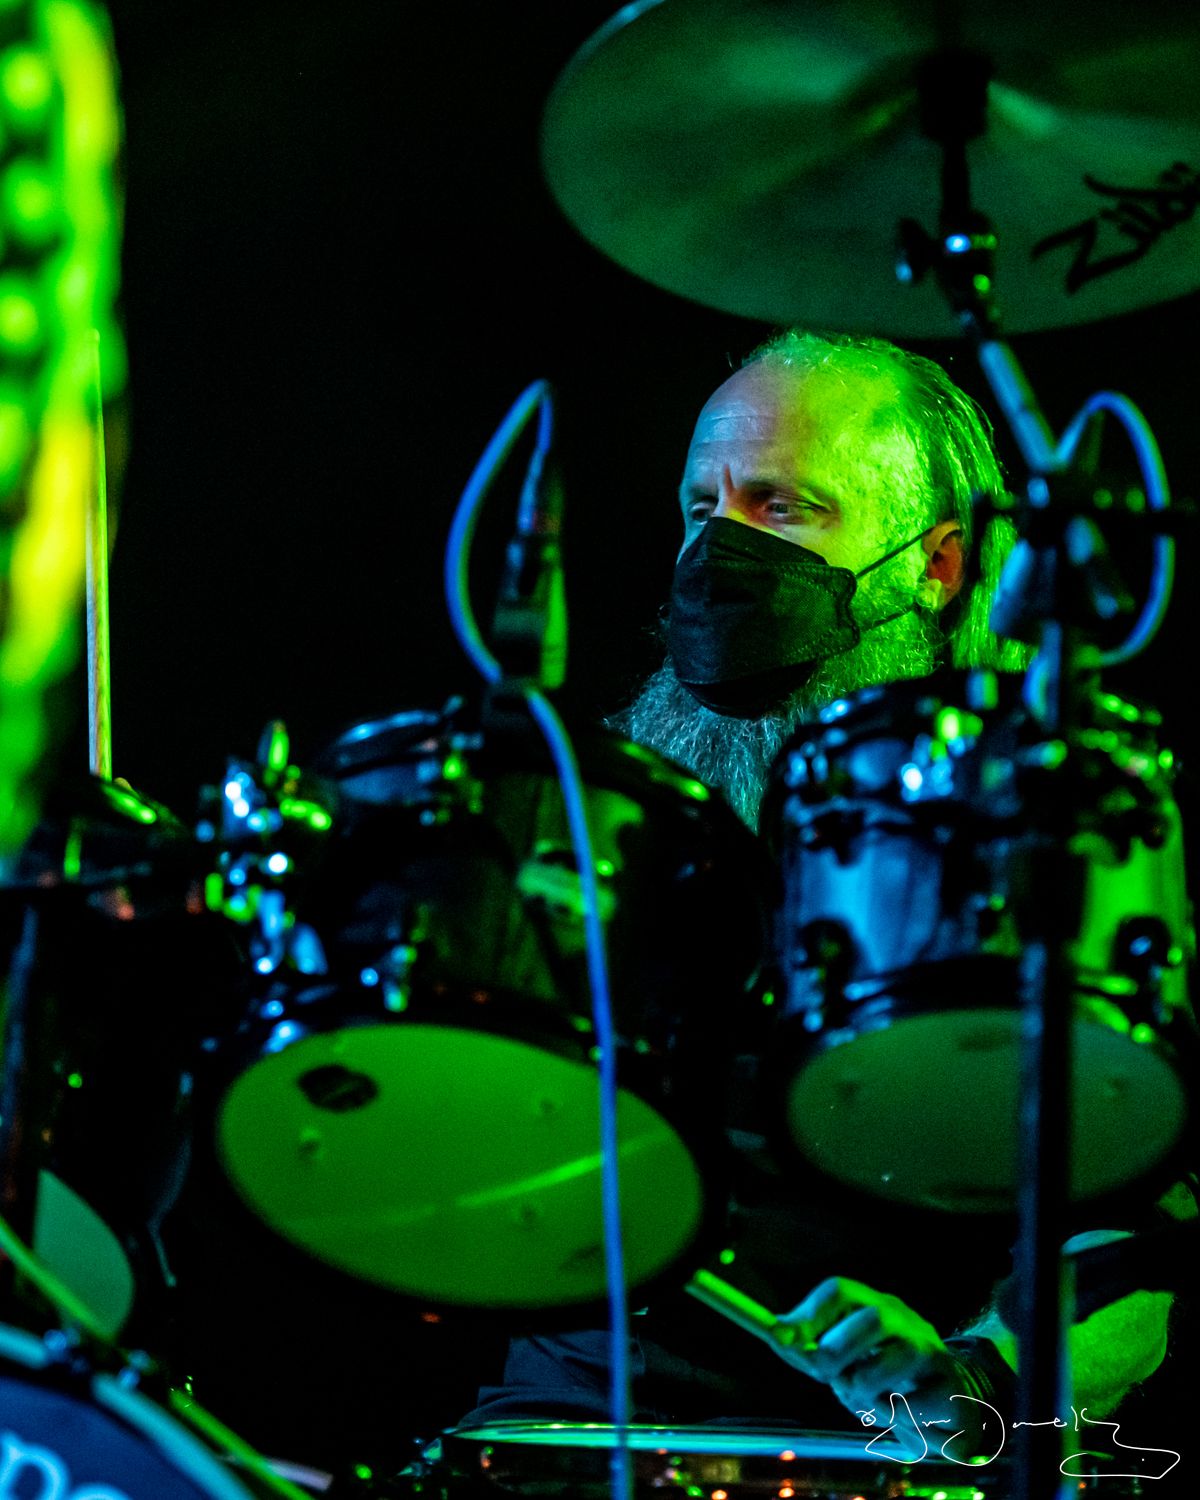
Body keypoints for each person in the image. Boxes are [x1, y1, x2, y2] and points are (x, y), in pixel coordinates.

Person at [464, 329, 1183, 1442]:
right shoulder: (604, 816)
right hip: (559, 1429)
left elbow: (1135, 1252)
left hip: (859, 1450)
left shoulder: (1053, 838)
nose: (721, 551)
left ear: (937, 565)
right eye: (702, 508)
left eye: (782, 507)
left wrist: (976, 1382)